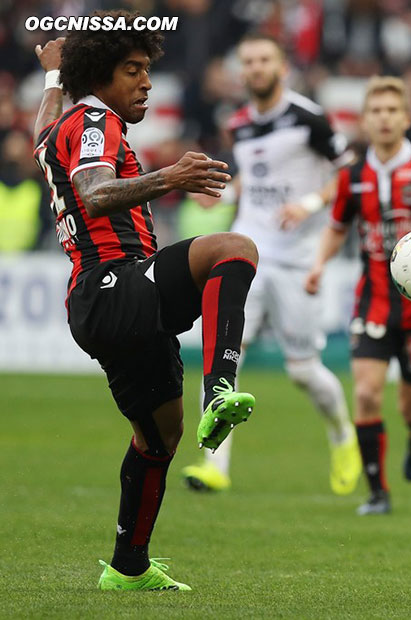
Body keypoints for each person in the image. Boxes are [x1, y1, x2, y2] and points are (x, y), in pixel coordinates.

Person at [32, 11, 259, 591]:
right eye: (131, 70)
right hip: (117, 281)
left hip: (94, 306)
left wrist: (55, 78)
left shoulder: (66, 121)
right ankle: (223, 387)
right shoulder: (94, 123)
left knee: (160, 436)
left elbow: (41, 138)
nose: (146, 82)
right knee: (233, 248)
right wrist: (171, 176)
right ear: (100, 77)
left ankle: (128, 566)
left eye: (147, 70)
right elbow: (94, 192)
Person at [180, 33, 360, 496]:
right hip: (244, 253)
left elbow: (349, 172)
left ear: (281, 67)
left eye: (264, 60)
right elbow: (255, 175)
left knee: (303, 371)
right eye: (249, 61)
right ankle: (214, 466)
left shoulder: (309, 118)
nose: (256, 68)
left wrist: (308, 202)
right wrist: (224, 190)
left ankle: (342, 434)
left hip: (296, 259)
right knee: (222, 360)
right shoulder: (238, 123)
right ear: (242, 71)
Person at [304, 76, 411, 515]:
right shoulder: (351, 177)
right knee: (365, 393)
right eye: (375, 111)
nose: (382, 119)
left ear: (406, 117)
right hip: (373, 301)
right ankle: (378, 493)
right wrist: (318, 265)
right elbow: (337, 227)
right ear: (364, 121)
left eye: (390, 111)